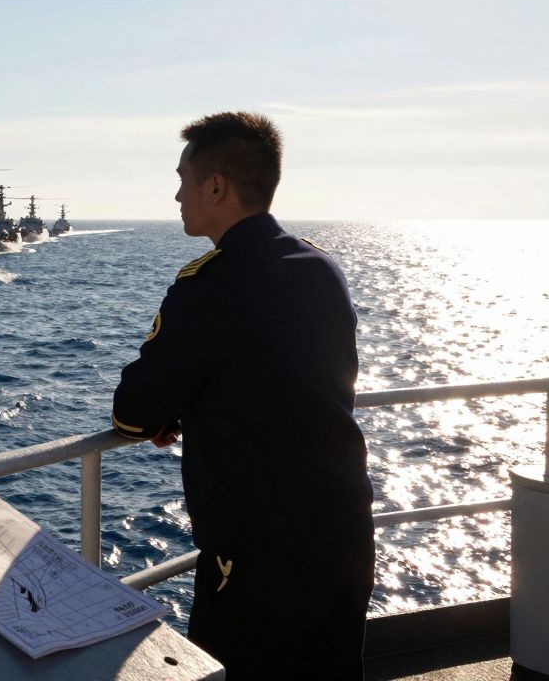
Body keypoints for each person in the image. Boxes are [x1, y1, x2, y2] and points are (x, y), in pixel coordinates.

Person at [111, 112, 374, 680]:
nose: (177, 193)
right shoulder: (320, 269)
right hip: (343, 531)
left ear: (216, 186)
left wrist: (170, 408)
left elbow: (132, 412)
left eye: (183, 178)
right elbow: (289, 378)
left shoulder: (208, 287)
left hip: (260, 555)